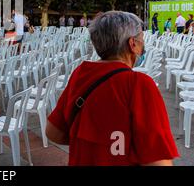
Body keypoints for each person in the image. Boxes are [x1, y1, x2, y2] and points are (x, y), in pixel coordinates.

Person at [46, 11, 179, 166]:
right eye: (142, 40)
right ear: (132, 44)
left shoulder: (81, 74)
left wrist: (93, 146)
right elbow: (158, 161)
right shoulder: (138, 84)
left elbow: (53, 132)